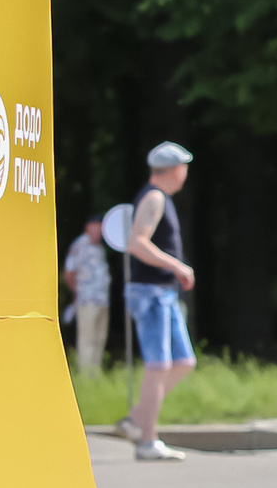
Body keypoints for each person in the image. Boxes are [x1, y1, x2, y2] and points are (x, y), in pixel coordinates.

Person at [119, 142, 198, 461]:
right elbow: (136, 244)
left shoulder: (160, 198)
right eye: (185, 167)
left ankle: (136, 420)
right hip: (150, 292)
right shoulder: (153, 197)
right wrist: (177, 265)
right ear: (177, 169)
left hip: (162, 292)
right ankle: (147, 441)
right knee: (159, 366)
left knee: (182, 362)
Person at [63, 221, 110, 373]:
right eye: (97, 226)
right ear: (88, 227)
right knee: (87, 340)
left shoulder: (99, 247)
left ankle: (94, 375)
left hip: (102, 300)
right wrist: (77, 293)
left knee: (99, 339)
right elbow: (69, 272)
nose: (100, 231)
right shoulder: (80, 245)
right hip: (87, 300)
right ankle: (85, 377)